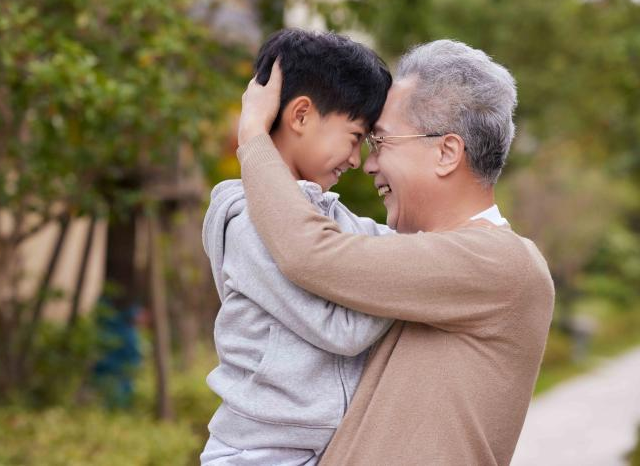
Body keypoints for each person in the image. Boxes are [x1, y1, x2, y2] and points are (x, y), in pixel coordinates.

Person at [236, 39, 554, 465]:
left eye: (381, 142)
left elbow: (312, 254)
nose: (367, 164)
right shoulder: (424, 259)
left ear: (446, 152)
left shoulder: (500, 263)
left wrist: (255, 137)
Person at [200, 29, 394, 465]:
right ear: (302, 115)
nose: (358, 161)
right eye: (355, 137)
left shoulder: (331, 214)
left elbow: (396, 247)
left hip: (314, 451)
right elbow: (341, 331)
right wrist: (410, 284)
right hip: (257, 454)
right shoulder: (250, 220)